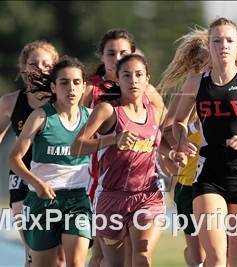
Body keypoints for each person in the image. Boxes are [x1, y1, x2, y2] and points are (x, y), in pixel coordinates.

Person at [172, 17, 237, 267]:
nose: (223, 45)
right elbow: (176, 122)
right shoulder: (196, 82)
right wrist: (181, 139)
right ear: (208, 45)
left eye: (229, 40)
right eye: (217, 40)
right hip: (209, 174)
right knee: (217, 258)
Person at [0, 41, 65, 267]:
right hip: (22, 175)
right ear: (24, 68)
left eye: (46, 64)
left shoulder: (65, 99)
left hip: (58, 176)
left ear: (54, 68)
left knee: (60, 257)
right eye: (34, 63)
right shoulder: (10, 102)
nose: (40, 68)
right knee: (33, 250)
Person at [81, 28, 165, 267]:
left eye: (123, 53)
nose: (117, 58)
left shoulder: (150, 96)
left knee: (140, 253)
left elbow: (165, 130)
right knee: (102, 257)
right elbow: (76, 140)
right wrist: (112, 140)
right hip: (102, 182)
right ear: (102, 56)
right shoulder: (91, 91)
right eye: (111, 53)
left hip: (146, 189)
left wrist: (174, 151)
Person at [9, 56, 92, 267]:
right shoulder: (40, 116)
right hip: (43, 201)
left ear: (84, 87)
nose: (71, 88)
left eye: (76, 82)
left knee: (74, 263)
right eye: (64, 82)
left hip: (78, 200)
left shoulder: (92, 118)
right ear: (54, 87)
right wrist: (37, 183)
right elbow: (14, 159)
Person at [157, 27, 210, 267]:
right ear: (197, 67)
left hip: (222, 178)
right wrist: (178, 145)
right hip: (189, 181)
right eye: (206, 64)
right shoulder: (187, 93)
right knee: (198, 253)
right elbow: (165, 129)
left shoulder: (235, 90)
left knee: (222, 248)